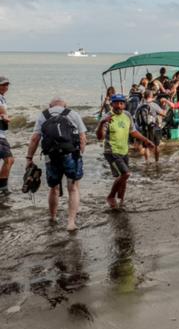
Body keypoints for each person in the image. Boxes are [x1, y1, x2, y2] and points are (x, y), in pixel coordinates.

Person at [25, 97, 87, 231]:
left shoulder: (44, 115)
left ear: (50, 105)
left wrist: (29, 158)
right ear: (65, 105)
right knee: (73, 188)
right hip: (71, 155)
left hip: (51, 157)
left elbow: (35, 139)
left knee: (54, 188)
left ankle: (53, 217)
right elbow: (82, 138)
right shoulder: (73, 114)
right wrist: (80, 154)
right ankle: (71, 222)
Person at [96, 94, 154, 209]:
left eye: (121, 103)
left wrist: (146, 140)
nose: (118, 105)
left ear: (124, 105)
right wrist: (102, 123)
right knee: (125, 174)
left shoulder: (127, 115)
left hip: (124, 151)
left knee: (124, 179)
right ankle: (111, 197)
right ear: (111, 104)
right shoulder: (108, 117)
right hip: (111, 151)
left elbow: (133, 131)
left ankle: (121, 202)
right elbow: (100, 137)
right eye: (116, 103)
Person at [134, 89, 167, 162]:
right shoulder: (154, 104)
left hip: (144, 128)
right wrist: (164, 106)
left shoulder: (140, 105)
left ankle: (147, 161)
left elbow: (136, 116)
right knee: (156, 145)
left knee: (146, 147)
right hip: (154, 127)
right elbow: (164, 114)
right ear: (151, 96)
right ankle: (157, 161)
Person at [0, 76, 14, 197]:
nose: (6, 87)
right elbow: (2, 111)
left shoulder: (2, 98)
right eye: (3, 84)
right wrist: (5, 117)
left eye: (7, 85)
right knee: (8, 159)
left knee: (9, 160)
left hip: (1, 134)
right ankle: (3, 187)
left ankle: (2, 185)